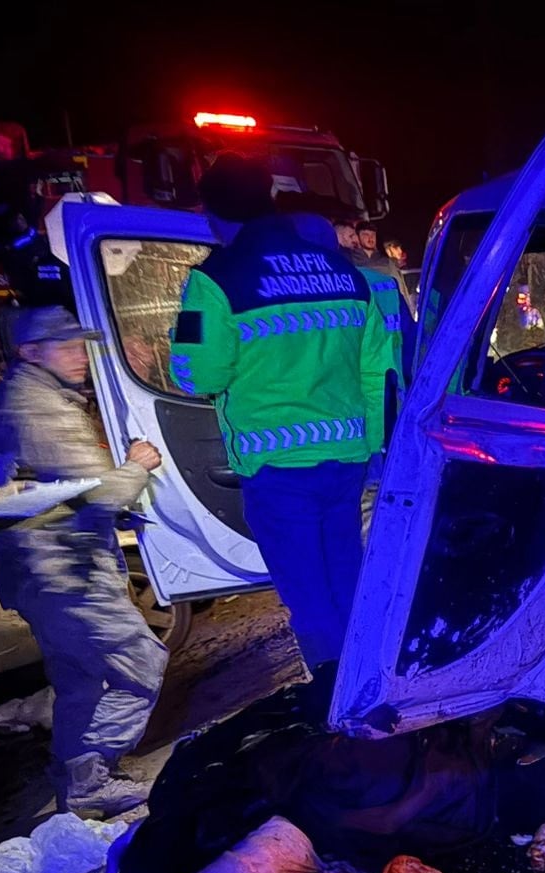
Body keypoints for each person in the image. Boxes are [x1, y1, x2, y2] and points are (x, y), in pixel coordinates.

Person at [170, 154, 395, 677]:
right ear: (270, 199)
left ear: (213, 215)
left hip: (276, 465)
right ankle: (370, 676)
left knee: (307, 590)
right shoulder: (343, 271)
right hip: (347, 455)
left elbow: (197, 376)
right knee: (346, 574)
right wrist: (375, 446)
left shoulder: (216, 278)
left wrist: (184, 334)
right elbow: (377, 370)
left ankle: (335, 694)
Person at [0, 308, 163, 818]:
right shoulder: (39, 409)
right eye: (67, 346)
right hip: (66, 571)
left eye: (81, 344)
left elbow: (47, 491)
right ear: (31, 352)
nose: (81, 355)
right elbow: (99, 496)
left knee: (81, 679)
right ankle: (91, 775)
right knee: (140, 665)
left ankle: (80, 786)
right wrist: (136, 467)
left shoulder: (15, 399)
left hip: (41, 570)